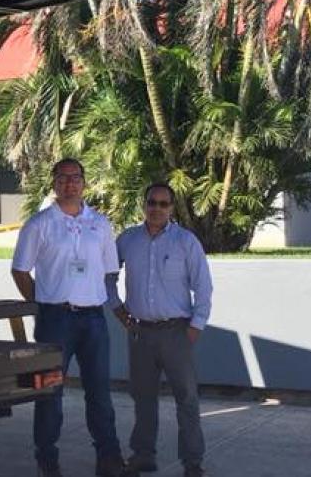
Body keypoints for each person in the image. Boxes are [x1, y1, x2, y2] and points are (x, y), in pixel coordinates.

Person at [13, 158, 127, 477]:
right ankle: (47, 461)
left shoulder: (100, 224)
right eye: (62, 178)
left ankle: (109, 458)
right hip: (55, 322)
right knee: (49, 392)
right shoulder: (39, 224)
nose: (69, 183)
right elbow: (20, 270)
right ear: (54, 183)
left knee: (99, 392)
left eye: (75, 178)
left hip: (93, 321)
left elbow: (108, 271)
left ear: (84, 183)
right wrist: (42, 304)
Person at [108, 183, 213, 477]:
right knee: (142, 398)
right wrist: (117, 308)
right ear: (144, 204)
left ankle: (193, 463)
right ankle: (143, 456)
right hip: (140, 332)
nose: (156, 208)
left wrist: (196, 325)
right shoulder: (128, 240)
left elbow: (203, 286)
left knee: (187, 399)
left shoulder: (185, 241)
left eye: (163, 204)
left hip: (176, 332)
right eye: (152, 202)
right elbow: (107, 276)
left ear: (172, 208)